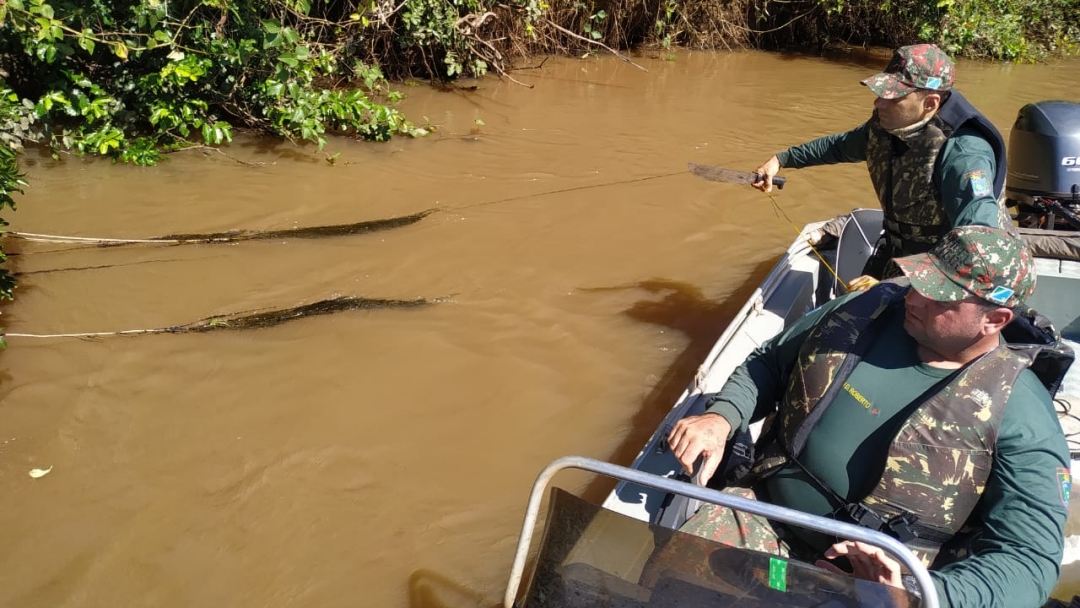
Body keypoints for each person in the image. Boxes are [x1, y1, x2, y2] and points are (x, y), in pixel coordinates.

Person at [665, 226, 1071, 607]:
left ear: (994, 320)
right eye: (919, 281)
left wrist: (921, 597)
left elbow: (1029, 559)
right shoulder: (867, 308)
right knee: (666, 582)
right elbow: (769, 363)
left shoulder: (1022, 412)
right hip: (763, 519)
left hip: (881, 591)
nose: (914, 298)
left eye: (939, 297)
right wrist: (722, 417)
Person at [752, 44, 1013, 280]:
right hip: (898, 253)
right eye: (881, 93)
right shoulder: (889, 125)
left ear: (930, 103)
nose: (878, 103)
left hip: (949, 275)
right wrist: (781, 160)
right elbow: (838, 146)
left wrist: (901, 284)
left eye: (892, 97)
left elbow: (980, 246)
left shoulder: (964, 154)